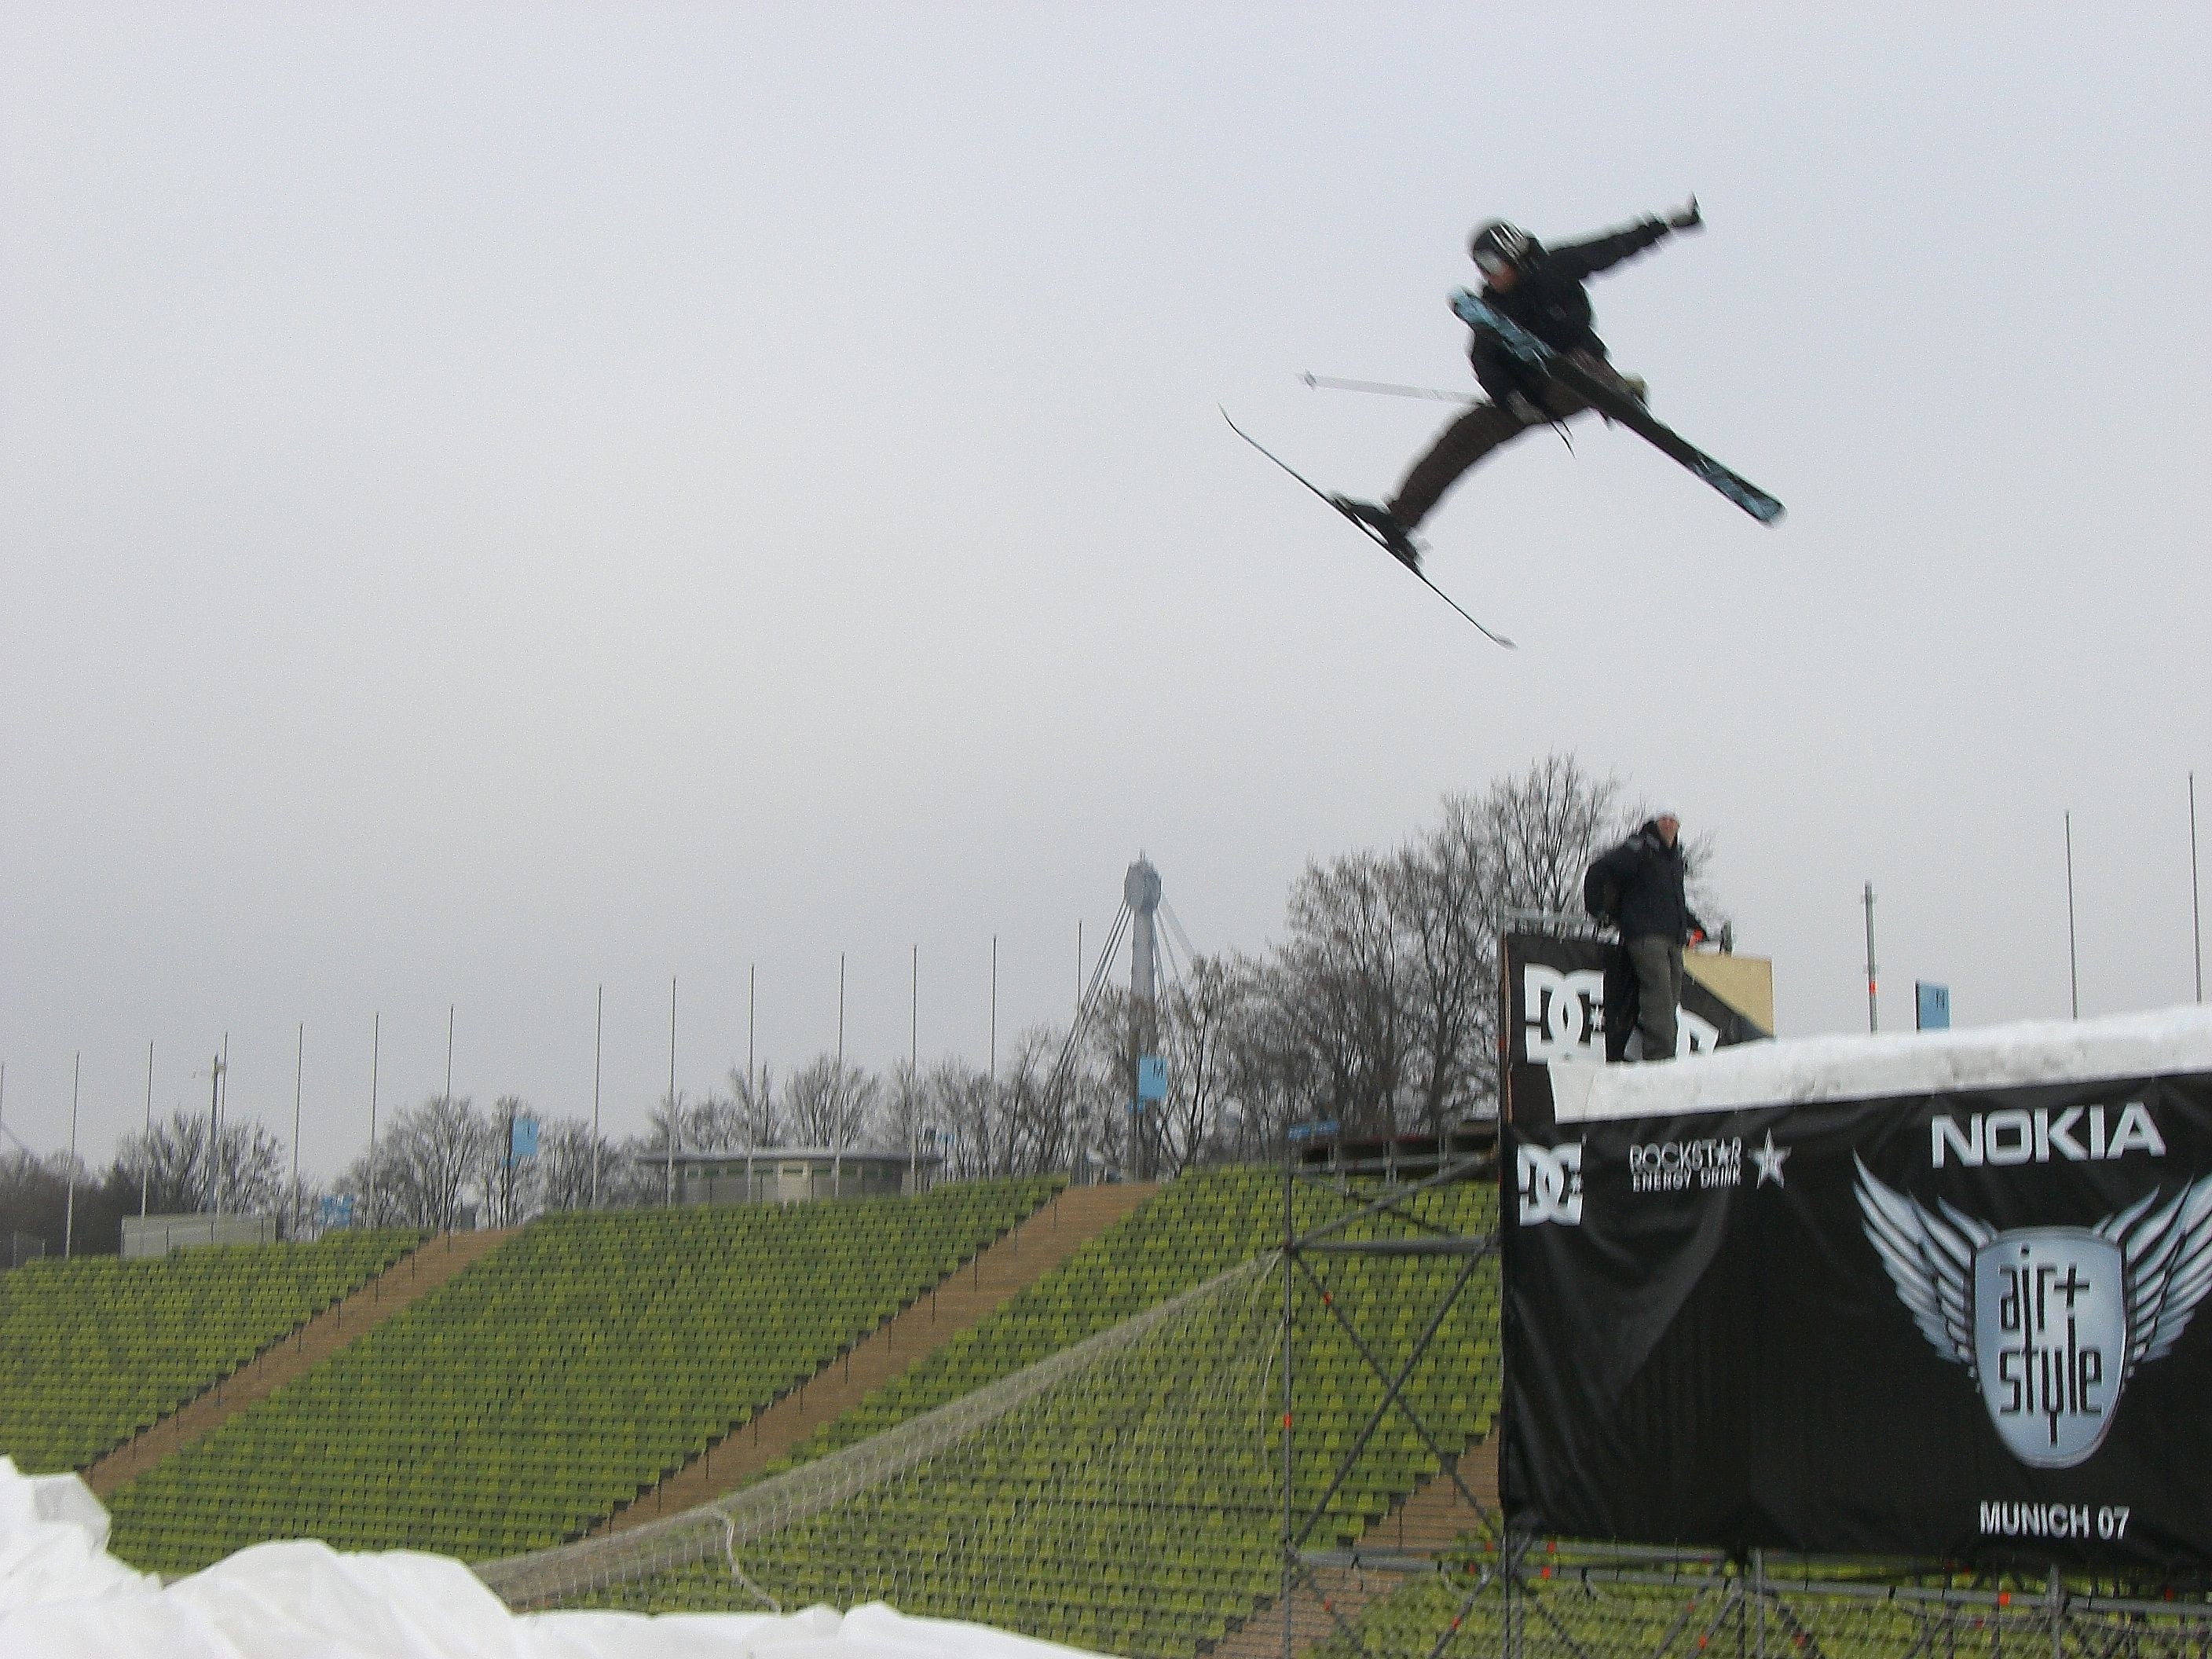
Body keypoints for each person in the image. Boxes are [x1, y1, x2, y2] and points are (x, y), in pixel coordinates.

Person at [1335, 199, 1706, 566]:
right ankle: (1400, 520)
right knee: (1462, 435)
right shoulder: (1494, 308)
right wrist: (1510, 398)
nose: (1487, 274)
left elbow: (1613, 247)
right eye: (1481, 268)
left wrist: (1666, 226)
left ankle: (1619, 395)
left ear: (1513, 253)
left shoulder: (1556, 269)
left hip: (1578, 374)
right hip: (1529, 397)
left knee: (1575, 364)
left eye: (1492, 264)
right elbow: (1483, 359)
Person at [1584, 811, 1710, 1062]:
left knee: (1671, 998)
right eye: (1663, 819)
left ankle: (1655, 1052)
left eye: (1673, 819)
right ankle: (1660, 1058)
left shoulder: (1672, 859)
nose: (1668, 824)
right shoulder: (1639, 848)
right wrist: (1599, 910)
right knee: (1660, 997)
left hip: (1670, 939)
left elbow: (1670, 903)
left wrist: (1695, 927)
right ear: (1655, 822)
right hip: (1645, 937)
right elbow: (1599, 870)